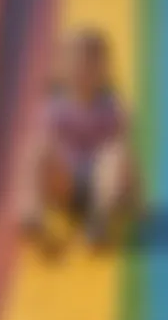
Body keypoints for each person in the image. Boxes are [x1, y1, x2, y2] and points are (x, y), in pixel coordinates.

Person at [21, 28, 140, 244]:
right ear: (63, 70)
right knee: (36, 150)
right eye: (76, 65)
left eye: (91, 66)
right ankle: (32, 213)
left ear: (104, 71)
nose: (83, 72)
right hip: (66, 186)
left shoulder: (113, 108)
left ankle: (98, 223)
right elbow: (43, 156)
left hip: (102, 192)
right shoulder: (54, 108)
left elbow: (127, 159)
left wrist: (134, 197)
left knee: (116, 154)